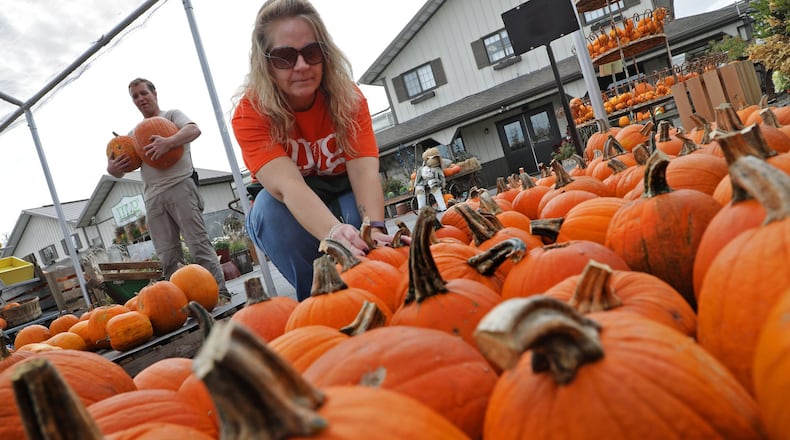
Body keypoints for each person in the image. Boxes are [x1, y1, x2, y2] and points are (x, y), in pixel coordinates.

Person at [232, 0, 397, 301]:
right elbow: (287, 186)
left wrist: (373, 227)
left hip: (343, 189)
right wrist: (334, 235)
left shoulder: (349, 99)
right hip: (289, 202)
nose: (302, 66)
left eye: (311, 52)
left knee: (358, 224)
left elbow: (363, 171)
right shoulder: (250, 113)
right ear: (265, 62)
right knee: (269, 211)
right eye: (284, 57)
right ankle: (320, 301)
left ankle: (376, 290)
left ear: (325, 53)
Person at [107, 78, 229, 299]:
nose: (140, 99)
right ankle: (183, 303)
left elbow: (194, 130)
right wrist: (112, 168)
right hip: (153, 197)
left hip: (181, 186)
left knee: (198, 244)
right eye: (135, 96)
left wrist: (169, 141)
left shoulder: (171, 116)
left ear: (154, 93)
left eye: (144, 93)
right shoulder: (132, 135)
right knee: (167, 255)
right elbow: (119, 171)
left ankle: (219, 294)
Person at [413, 147, 447, 212]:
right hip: (422, 183)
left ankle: (443, 207)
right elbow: (417, 178)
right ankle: (421, 210)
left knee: (434, 187)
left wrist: (443, 184)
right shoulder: (421, 169)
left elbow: (442, 177)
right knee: (419, 191)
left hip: (433, 182)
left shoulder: (437, 169)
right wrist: (415, 186)